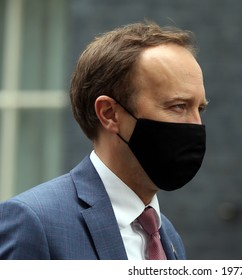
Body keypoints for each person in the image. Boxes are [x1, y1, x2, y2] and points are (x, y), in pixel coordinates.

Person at [0, 21, 208, 260]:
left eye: (200, 109)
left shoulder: (167, 236)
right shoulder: (34, 223)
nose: (196, 125)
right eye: (178, 106)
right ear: (109, 114)